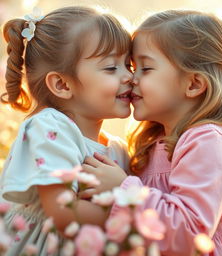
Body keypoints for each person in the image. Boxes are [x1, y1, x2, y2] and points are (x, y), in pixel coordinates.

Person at [81, 10, 222, 255]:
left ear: (194, 84)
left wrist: (123, 190)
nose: (131, 78)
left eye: (146, 68)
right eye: (134, 67)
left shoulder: (208, 140)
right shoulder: (157, 143)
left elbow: (190, 232)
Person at [0, 6, 132, 255]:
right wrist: (133, 209)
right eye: (111, 68)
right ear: (62, 84)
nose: (129, 77)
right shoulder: (49, 127)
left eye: (130, 64)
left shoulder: (118, 149)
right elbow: (64, 214)